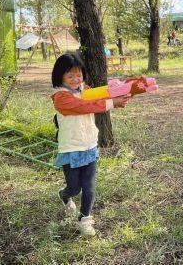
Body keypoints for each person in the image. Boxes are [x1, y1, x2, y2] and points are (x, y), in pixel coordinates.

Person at [51, 53, 130, 235]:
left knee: (89, 187)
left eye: (78, 75)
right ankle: (64, 195)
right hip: (71, 148)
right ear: (60, 76)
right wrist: (111, 103)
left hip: (89, 146)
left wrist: (120, 93)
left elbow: (97, 98)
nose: (75, 79)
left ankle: (85, 219)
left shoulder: (84, 89)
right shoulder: (60, 97)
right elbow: (83, 107)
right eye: (70, 76)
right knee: (74, 188)